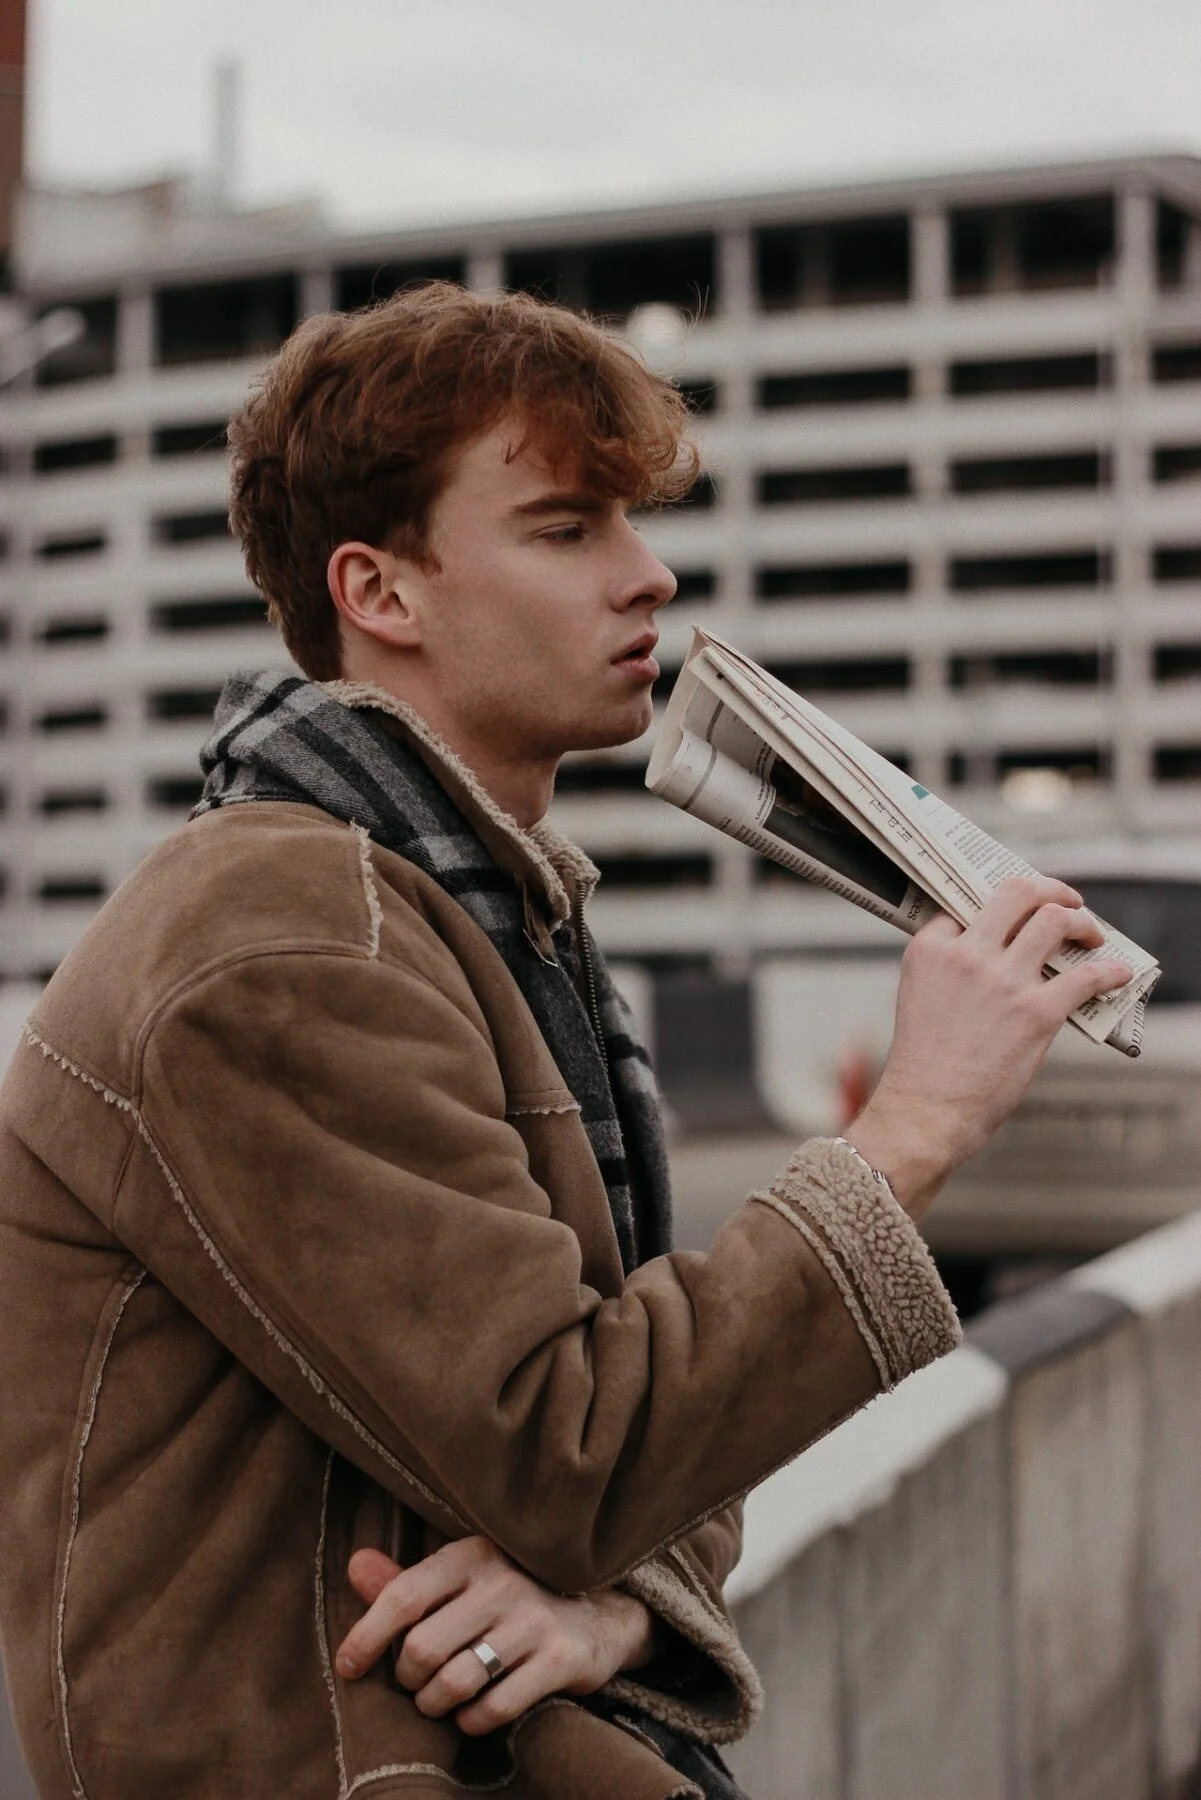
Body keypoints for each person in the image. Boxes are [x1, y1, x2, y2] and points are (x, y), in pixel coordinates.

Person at [0, 283, 1131, 1800]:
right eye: (567, 528)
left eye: (632, 524)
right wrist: (913, 1123)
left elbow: (635, 1424)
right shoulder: (287, 930)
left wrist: (608, 1608)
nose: (649, 575)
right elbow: (576, 1449)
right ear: (381, 592)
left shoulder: (459, 908)